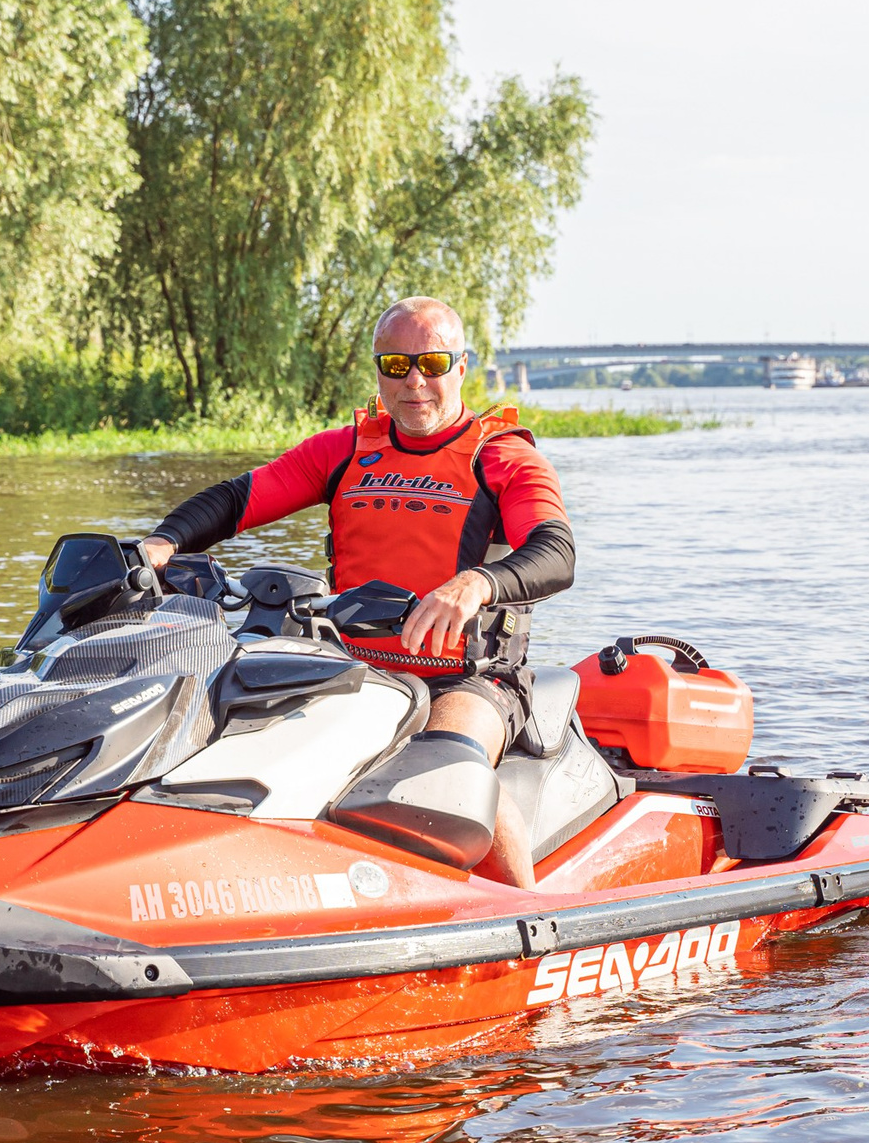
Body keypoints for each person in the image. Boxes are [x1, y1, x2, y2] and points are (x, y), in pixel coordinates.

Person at [139, 297, 575, 887]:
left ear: (463, 368)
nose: (415, 381)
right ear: (377, 372)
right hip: (356, 666)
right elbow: (238, 498)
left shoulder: (503, 458)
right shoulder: (344, 452)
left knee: (447, 764)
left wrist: (478, 582)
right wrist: (164, 543)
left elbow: (556, 552)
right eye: (396, 365)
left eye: (432, 362)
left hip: (469, 677)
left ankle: (533, 924)